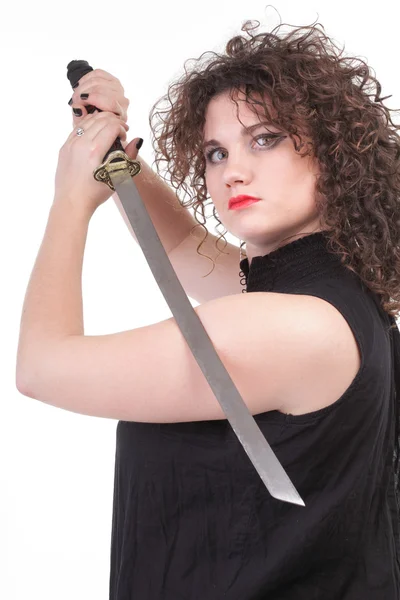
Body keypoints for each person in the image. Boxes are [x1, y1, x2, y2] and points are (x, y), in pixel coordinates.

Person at [17, 15, 400, 600]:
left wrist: (70, 198)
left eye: (264, 138)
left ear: (335, 150)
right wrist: (114, 153)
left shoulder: (292, 327)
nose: (233, 171)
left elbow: (41, 369)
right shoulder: (329, 297)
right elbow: (179, 247)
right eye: (216, 152)